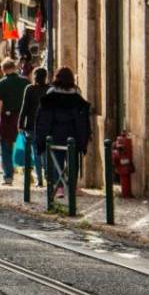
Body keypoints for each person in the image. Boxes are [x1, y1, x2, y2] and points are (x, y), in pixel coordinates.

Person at [33, 67, 92, 201]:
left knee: (57, 162)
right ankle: (73, 187)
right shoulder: (77, 95)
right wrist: (84, 137)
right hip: (72, 135)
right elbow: (82, 119)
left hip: (55, 135)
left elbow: (43, 119)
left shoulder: (50, 95)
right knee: (73, 162)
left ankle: (59, 187)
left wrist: (41, 139)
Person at [0, 59, 29, 185]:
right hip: (23, 119)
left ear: (3, 70)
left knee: (6, 148)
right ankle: (28, 174)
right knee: (23, 146)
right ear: (15, 67)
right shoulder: (26, 82)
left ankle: (8, 177)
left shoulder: (0, 84)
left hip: (7, 119)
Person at [19, 67, 50, 185]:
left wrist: (20, 124)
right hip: (47, 125)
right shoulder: (49, 89)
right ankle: (48, 176)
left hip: (32, 125)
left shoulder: (30, 89)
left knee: (36, 152)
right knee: (46, 151)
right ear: (45, 77)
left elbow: (24, 107)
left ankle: (39, 180)